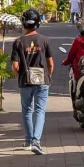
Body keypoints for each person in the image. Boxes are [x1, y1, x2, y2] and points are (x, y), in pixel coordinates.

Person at [11, 8, 53, 155]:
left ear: (24, 23)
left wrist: (21, 75)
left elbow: (15, 66)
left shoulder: (18, 42)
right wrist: (49, 76)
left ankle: (29, 140)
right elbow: (51, 63)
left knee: (27, 111)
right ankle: (36, 141)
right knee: (40, 111)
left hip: (25, 81)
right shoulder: (45, 40)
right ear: (37, 23)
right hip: (42, 80)